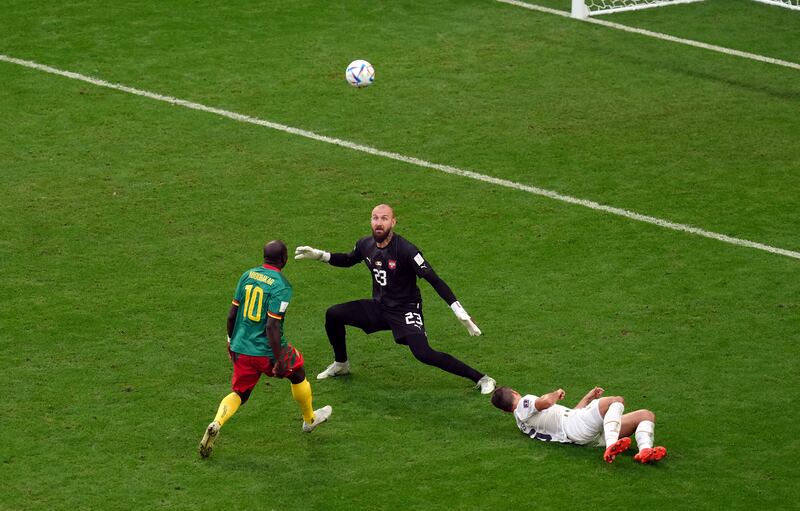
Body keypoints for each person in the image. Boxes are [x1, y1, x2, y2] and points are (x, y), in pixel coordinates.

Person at [294, 204, 496, 394]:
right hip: (380, 307)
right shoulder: (365, 244)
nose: (379, 222)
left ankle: (482, 378)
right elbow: (348, 260)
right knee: (334, 314)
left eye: (384, 218)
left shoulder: (407, 250)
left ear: (393, 222)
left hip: (405, 310)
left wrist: (458, 310)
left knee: (423, 353)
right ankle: (341, 364)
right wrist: (320, 255)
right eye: (375, 218)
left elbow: (434, 280)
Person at [199, 240, 332, 458]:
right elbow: (272, 325)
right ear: (284, 260)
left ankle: (217, 422)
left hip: (241, 347)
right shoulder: (281, 285)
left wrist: (230, 340)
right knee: (298, 371)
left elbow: (232, 314)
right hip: (266, 351)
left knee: (240, 392)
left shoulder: (247, 275)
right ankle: (309, 419)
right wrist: (279, 359)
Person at [491, 385, 667, 464]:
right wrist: (555, 393)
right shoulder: (524, 404)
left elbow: (571, 415)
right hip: (575, 427)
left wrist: (588, 398)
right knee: (615, 401)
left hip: (579, 434)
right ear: (514, 392)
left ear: (504, 411)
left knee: (645, 415)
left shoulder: (521, 421)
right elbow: (544, 402)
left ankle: (645, 452)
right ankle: (613, 445)